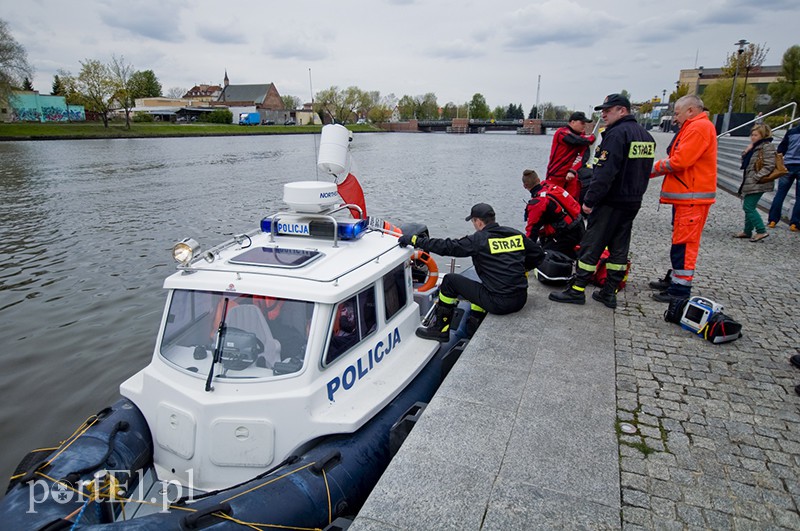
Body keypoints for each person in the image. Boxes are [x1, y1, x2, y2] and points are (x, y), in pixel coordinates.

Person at [549, 94, 655, 309]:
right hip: (632, 200)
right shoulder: (646, 136)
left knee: (592, 244)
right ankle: (609, 291)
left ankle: (577, 290)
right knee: (619, 247)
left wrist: (589, 200)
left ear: (622, 110)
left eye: (608, 110)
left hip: (610, 201)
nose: (603, 114)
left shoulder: (616, 135)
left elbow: (604, 173)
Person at [398, 203, 543, 341]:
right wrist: (522, 268)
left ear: (479, 222)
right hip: (520, 299)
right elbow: (538, 255)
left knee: (450, 281)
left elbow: (447, 247)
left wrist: (415, 240)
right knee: (482, 284)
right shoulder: (515, 234)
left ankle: (440, 330)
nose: (474, 225)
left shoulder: (478, 240)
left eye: (473, 222)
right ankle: (474, 321)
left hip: (499, 303)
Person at [649, 94, 717, 302]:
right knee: (680, 241)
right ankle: (676, 278)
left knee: (685, 244)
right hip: (687, 196)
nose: (675, 118)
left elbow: (679, 161)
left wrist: (649, 169)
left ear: (690, 110)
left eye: (677, 113)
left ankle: (680, 289)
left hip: (691, 197)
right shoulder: (695, 127)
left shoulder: (698, 128)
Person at [522, 168, 584, 259]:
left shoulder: (537, 204)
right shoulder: (553, 188)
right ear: (538, 180)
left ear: (525, 186)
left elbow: (532, 231)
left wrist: (526, 252)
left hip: (566, 235)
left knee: (546, 258)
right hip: (579, 226)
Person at [734, 123, 776, 242]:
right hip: (751, 181)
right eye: (752, 134)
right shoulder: (756, 147)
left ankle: (761, 230)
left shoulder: (767, 147)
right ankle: (747, 230)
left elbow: (769, 165)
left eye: (756, 135)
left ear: (763, 135)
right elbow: (747, 162)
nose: (753, 137)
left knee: (748, 206)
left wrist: (756, 177)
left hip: (758, 182)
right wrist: (746, 151)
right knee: (748, 205)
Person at [545, 111, 596, 200]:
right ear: (572, 122)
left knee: (572, 201)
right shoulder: (562, 132)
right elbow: (577, 140)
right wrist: (591, 137)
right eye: (582, 123)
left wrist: (573, 170)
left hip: (570, 176)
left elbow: (583, 156)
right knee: (553, 200)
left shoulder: (581, 137)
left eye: (585, 123)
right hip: (555, 175)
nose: (584, 126)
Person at [767, 122, 800, 232]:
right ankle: (795, 223)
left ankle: (772, 220)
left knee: (780, 193)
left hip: (788, 165)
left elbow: (781, 149)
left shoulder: (791, 132)